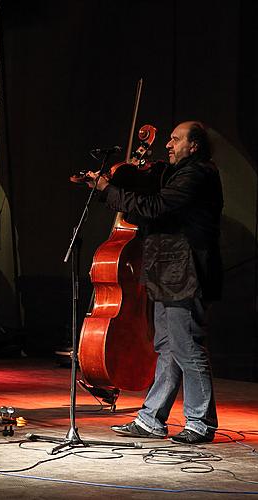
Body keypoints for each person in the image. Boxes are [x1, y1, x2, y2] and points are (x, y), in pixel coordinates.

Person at [84, 121, 223, 444]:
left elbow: (155, 206)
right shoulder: (175, 174)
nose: (168, 145)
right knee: (167, 348)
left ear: (194, 146)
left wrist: (110, 190)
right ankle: (151, 419)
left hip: (185, 271)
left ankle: (201, 422)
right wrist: (121, 182)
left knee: (187, 347)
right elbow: (148, 199)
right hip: (168, 268)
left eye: (176, 140)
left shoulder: (197, 174)